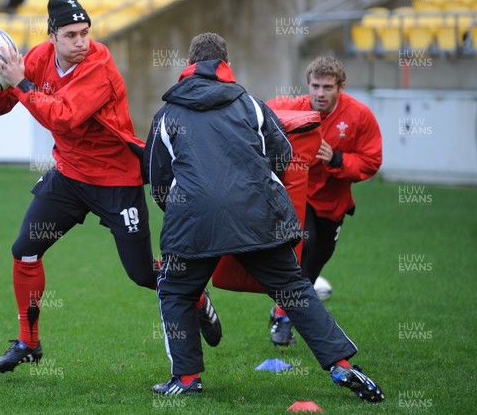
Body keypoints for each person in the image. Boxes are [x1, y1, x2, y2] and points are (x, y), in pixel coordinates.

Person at [0, 0, 222, 373]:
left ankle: (196, 297)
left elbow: (63, 118)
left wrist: (20, 83)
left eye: (85, 33)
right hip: (69, 177)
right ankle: (28, 341)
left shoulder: (99, 64)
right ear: (52, 35)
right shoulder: (40, 59)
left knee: (142, 275)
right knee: (24, 250)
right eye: (72, 35)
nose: (81, 42)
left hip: (115, 181)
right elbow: (1, 104)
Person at [145, 33, 384, 402]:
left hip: (193, 219)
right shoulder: (250, 105)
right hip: (257, 215)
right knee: (294, 289)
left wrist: (184, 211)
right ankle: (342, 365)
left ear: (189, 64)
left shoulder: (168, 113)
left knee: (176, 291)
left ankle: (187, 378)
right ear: (226, 62)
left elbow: (158, 178)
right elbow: (281, 155)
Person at [265, 56, 382, 346]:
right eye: (315, 86)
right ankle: (283, 319)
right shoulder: (292, 106)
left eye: (328, 87)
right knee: (306, 245)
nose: (320, 93)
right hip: (299, 197)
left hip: (333, 203)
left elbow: (372, 160)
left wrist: (336, 158)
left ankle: (282, 310)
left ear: (341, 87)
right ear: (308, 85)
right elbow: (257, 114)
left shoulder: (359, 115)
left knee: (314, 263)